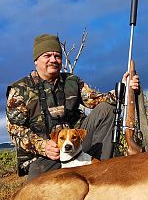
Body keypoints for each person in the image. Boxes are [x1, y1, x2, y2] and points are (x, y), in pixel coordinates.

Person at [6, 34, 139, 180]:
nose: (53, 60)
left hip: (76, 145)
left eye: (57, 56)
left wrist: (124, 89)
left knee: (106, 109)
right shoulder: (19, 90)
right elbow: (14, 129)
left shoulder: (72, 81)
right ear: (36, 60)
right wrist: (43, 146)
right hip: (45, 155)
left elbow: (96, 100)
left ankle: (100, 169)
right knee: (36, 187)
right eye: (47, 55)